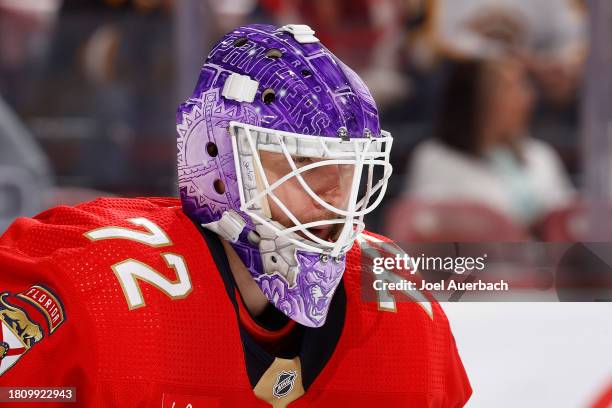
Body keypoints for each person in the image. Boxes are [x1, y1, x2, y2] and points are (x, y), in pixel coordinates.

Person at [0, 24, 471, 407]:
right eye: (304, 164)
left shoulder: (396, 305)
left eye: (352, 169)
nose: (337, 196)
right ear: (217, 157)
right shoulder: (94, 291)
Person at [406, 57, 574, 225]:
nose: (526, 97)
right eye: (510, 87)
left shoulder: (541, 154)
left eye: (524, 85)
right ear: (478, 98)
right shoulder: (435, 158)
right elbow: (425, 228)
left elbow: (567, 221)